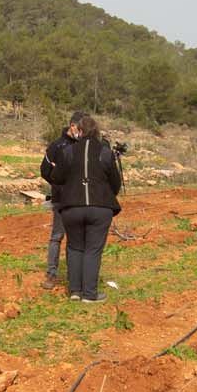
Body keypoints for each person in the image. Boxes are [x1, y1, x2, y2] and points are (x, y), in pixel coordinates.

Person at [48, 113, 122, 302]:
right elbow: (115, 182)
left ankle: (75, 291)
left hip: (72, 208)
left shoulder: (68, 152)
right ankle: (89, 294)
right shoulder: (105, 152)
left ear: (79, 131)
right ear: (96, 132)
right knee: (92, 250)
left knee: (74, 247)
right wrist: (105, 195)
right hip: (100, 208)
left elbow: (56, 177)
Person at [38, 113, 84, 291]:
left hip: (80, 199)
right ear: (72, 126)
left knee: (77, 238)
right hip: (62, 199)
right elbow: (45, 170)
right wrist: (59, 184)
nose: (81, 132)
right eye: (79, 128)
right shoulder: (57, 145)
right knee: (57, 236)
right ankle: (51, 274)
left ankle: (75, 275)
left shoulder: (84, 146)